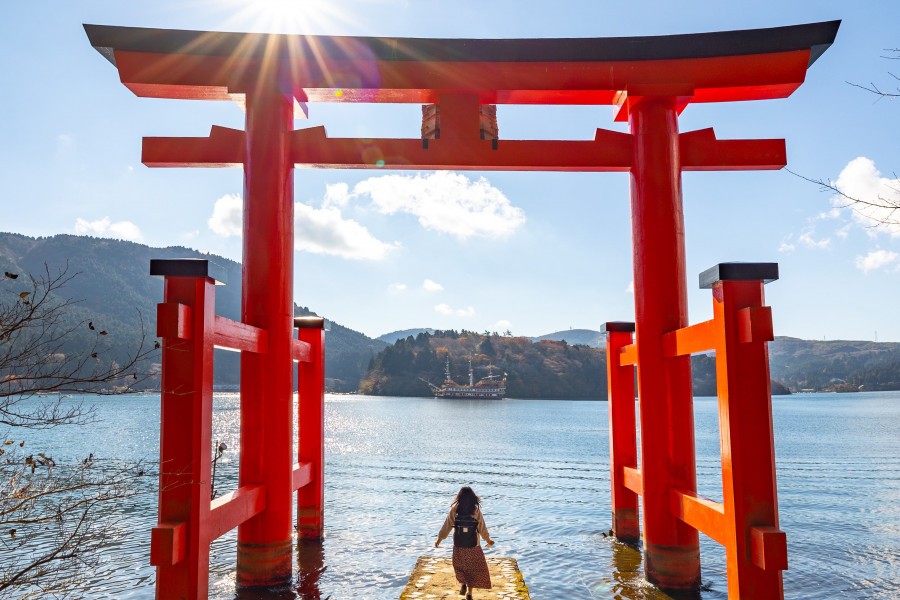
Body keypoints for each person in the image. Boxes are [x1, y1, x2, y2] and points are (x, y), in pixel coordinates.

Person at [435, 486, 495, 600]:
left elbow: (446, 526)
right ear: (473, 498)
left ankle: (462, 583)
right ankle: (469, 593)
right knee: (472, 569)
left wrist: (440, 539)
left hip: (459, 545)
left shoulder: (455, 509)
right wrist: (488, 540)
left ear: (459, 497)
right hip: (474, 545)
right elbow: (482, 527)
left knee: (460, 567)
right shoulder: (476, 510)